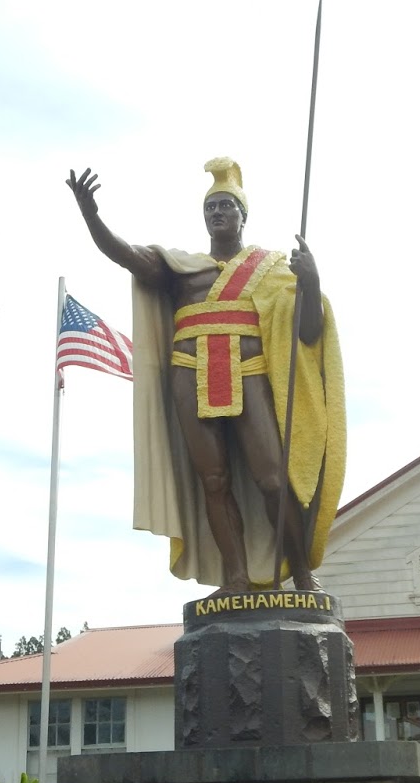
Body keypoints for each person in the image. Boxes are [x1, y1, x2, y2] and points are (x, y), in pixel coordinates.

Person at [67, 157, 345, 595]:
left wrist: (309, 282)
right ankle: (235, 579)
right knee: (213, 481)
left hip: (249, 371)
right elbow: (129, 256)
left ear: (242, 216)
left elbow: (308, 332)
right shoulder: (182, 268)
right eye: (211, 206)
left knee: (273, 479)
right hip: (191, 374)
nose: (217, 212)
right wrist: (92, 217)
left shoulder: (272, 269)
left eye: (226, 206)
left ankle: (302, 577)